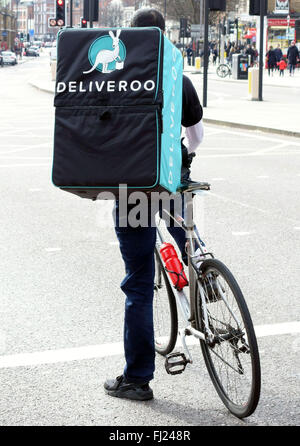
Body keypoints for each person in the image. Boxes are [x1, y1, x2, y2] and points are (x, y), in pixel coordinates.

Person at [104, 8, 204, 401]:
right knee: (187, 234)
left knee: (140, 284)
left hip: (135, 187)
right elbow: (195, 136)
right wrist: (181, 158)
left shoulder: (117, 76)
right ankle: (205, 281)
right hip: (172, 178)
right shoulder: (180, 78)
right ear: (164, 35)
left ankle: (137, 379)